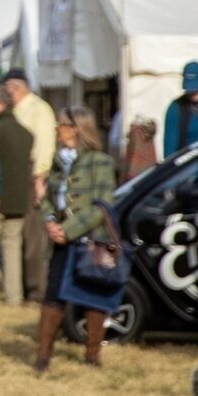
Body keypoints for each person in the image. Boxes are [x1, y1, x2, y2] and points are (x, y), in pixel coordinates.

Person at [33, 106, 120, 370]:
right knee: (53, 295)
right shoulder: (58, 161)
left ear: (76, 128)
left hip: (89, 238)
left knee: (93, 295)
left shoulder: (100, 161)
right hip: (60, 240)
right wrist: (50, 222)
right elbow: (48, 199)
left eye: (61, 125)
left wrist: (68, 229)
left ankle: (92, 355)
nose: (57, 130)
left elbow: (102, 205)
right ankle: (43, 355)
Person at [3, 69, 56, 303]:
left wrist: (39, 178)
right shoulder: (11, 111)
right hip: (14, 172)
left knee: (33, 235)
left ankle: (36, 289)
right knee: (16, 233)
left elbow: (45, 145)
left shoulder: (39, 109)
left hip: (31, 173)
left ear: (17, 87)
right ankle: (22, 285)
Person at [0, 88, 33, 306]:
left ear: (1, 104)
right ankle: (14, 296)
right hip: (19, 199)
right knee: (12, 248)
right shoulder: (25, 132)